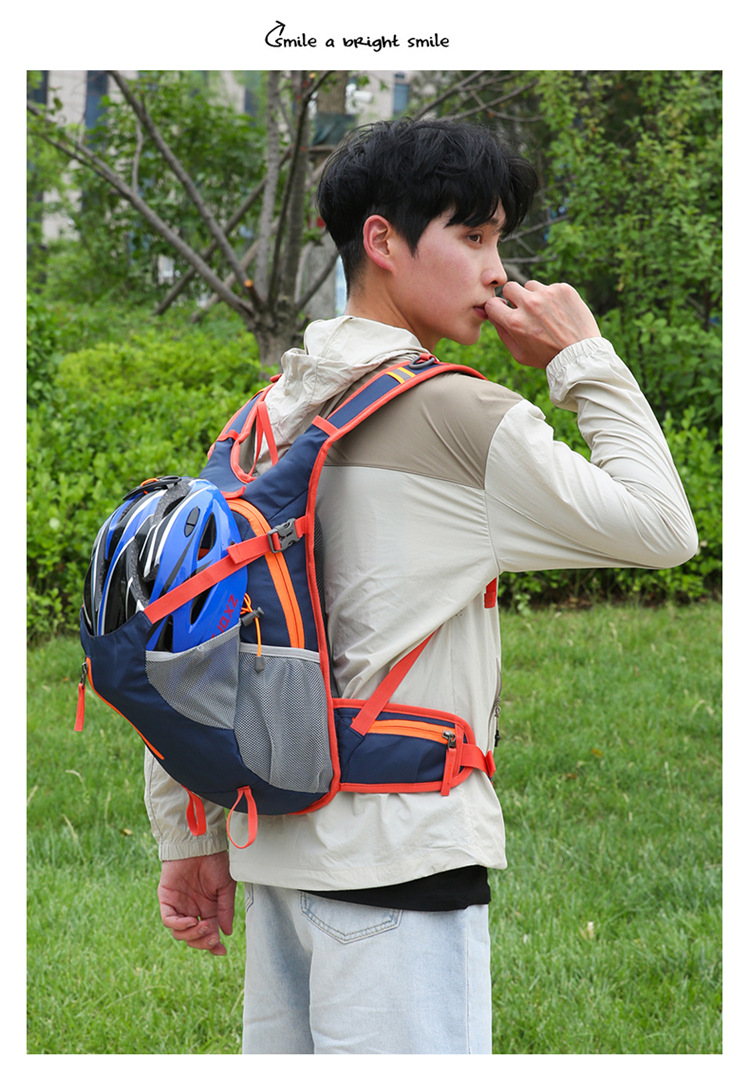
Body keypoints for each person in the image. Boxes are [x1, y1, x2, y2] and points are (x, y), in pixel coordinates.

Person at [144, 118, 698, 1054]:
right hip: (403, 860)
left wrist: (189, 839)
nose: (497, 270)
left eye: (498, 240)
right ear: (382, 241)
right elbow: (664, 527)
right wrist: (582, 356)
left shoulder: (261, 420)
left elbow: (190, 639)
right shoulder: (457, 414)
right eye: (473, 236)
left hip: (273, 854)